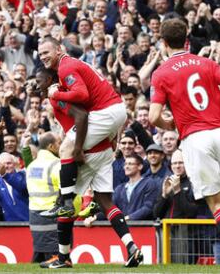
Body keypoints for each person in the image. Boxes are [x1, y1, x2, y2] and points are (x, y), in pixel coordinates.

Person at [149, 18, 220, 274]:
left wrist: (169, 126)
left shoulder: (162, 73)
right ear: (187, 38)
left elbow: (153, 116)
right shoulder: (206, 62)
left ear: (164, 41)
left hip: (195, 137)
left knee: (216, 204)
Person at [35, 68, 143, 269]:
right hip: (103, 151)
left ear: (50, 80)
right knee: (105, 202)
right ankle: (132, 247)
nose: (36, 85)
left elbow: (81, 116)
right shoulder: (68, 92)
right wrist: (112, 140)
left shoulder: (57, 95)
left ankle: (63, 257)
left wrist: (77, 149)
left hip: (88, 152)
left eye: (39, 81)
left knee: (64, 202)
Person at [38, 37, 127, 217]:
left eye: (46, 52)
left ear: (59, 49)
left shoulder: (65, 67)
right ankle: (89, 199)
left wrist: (56, 94)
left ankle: (66, 203)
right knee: (85, 157)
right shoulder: (70, 64)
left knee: (66, 149)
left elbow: (82, 95)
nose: (43, 57)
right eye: (40, 54)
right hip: (114, 111)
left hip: (106, 112)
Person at [26, 132, 61, 263]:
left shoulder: (32, 166)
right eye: (59, 143)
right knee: (55, 259)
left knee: (39, 254)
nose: (61, 146)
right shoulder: (56, 164)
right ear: (51, 146)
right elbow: (65, 190)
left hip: (35, 216)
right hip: (52, 215)